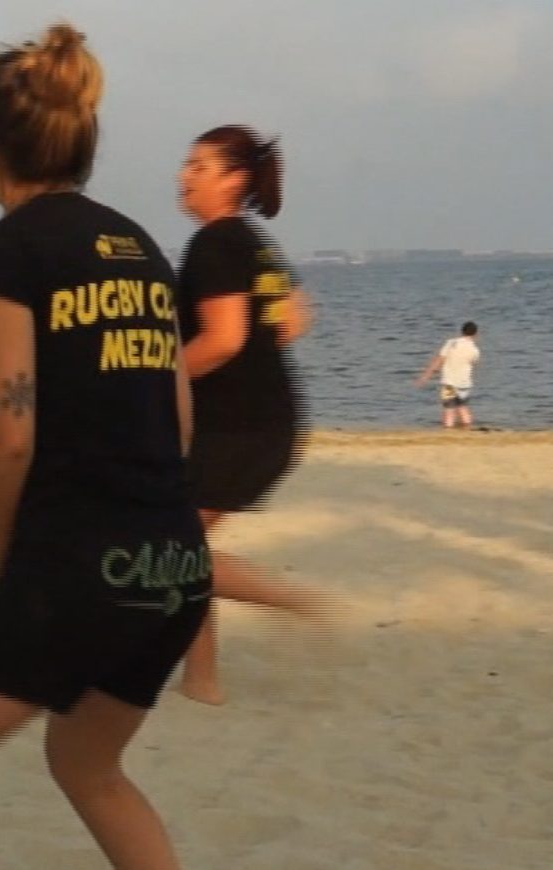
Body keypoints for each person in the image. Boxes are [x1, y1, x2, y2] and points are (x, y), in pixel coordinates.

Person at [0, 24, 209, 869]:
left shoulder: (10, 248)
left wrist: (4, 563)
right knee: (88, 768)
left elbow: (12, 427)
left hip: (75, 569)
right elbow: (178, 419)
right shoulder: (139, 248)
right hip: (175, 566)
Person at [169, 125, 338, 706]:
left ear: (234, 180)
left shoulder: (215, 244)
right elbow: (293, 319)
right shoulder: (254, 241)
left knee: (175, 549)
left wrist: (154, 379)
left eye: (198, 167)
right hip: (269, 418)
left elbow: (222, 340)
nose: (183, 177)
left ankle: (294, 601)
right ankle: (201, 680)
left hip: (236, 428)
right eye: (187, 165)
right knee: (181, 544)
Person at [414, 322, 482, 429]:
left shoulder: (451, 343)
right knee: (463, 407)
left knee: (449, 410)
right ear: (476, 334)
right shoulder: (475, 350)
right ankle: (468, 429)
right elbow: (474, 364)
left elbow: (439, 360)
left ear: (462, 331)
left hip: (449, 384)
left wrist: (425, 376)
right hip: (465, 384)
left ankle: (448, 431)